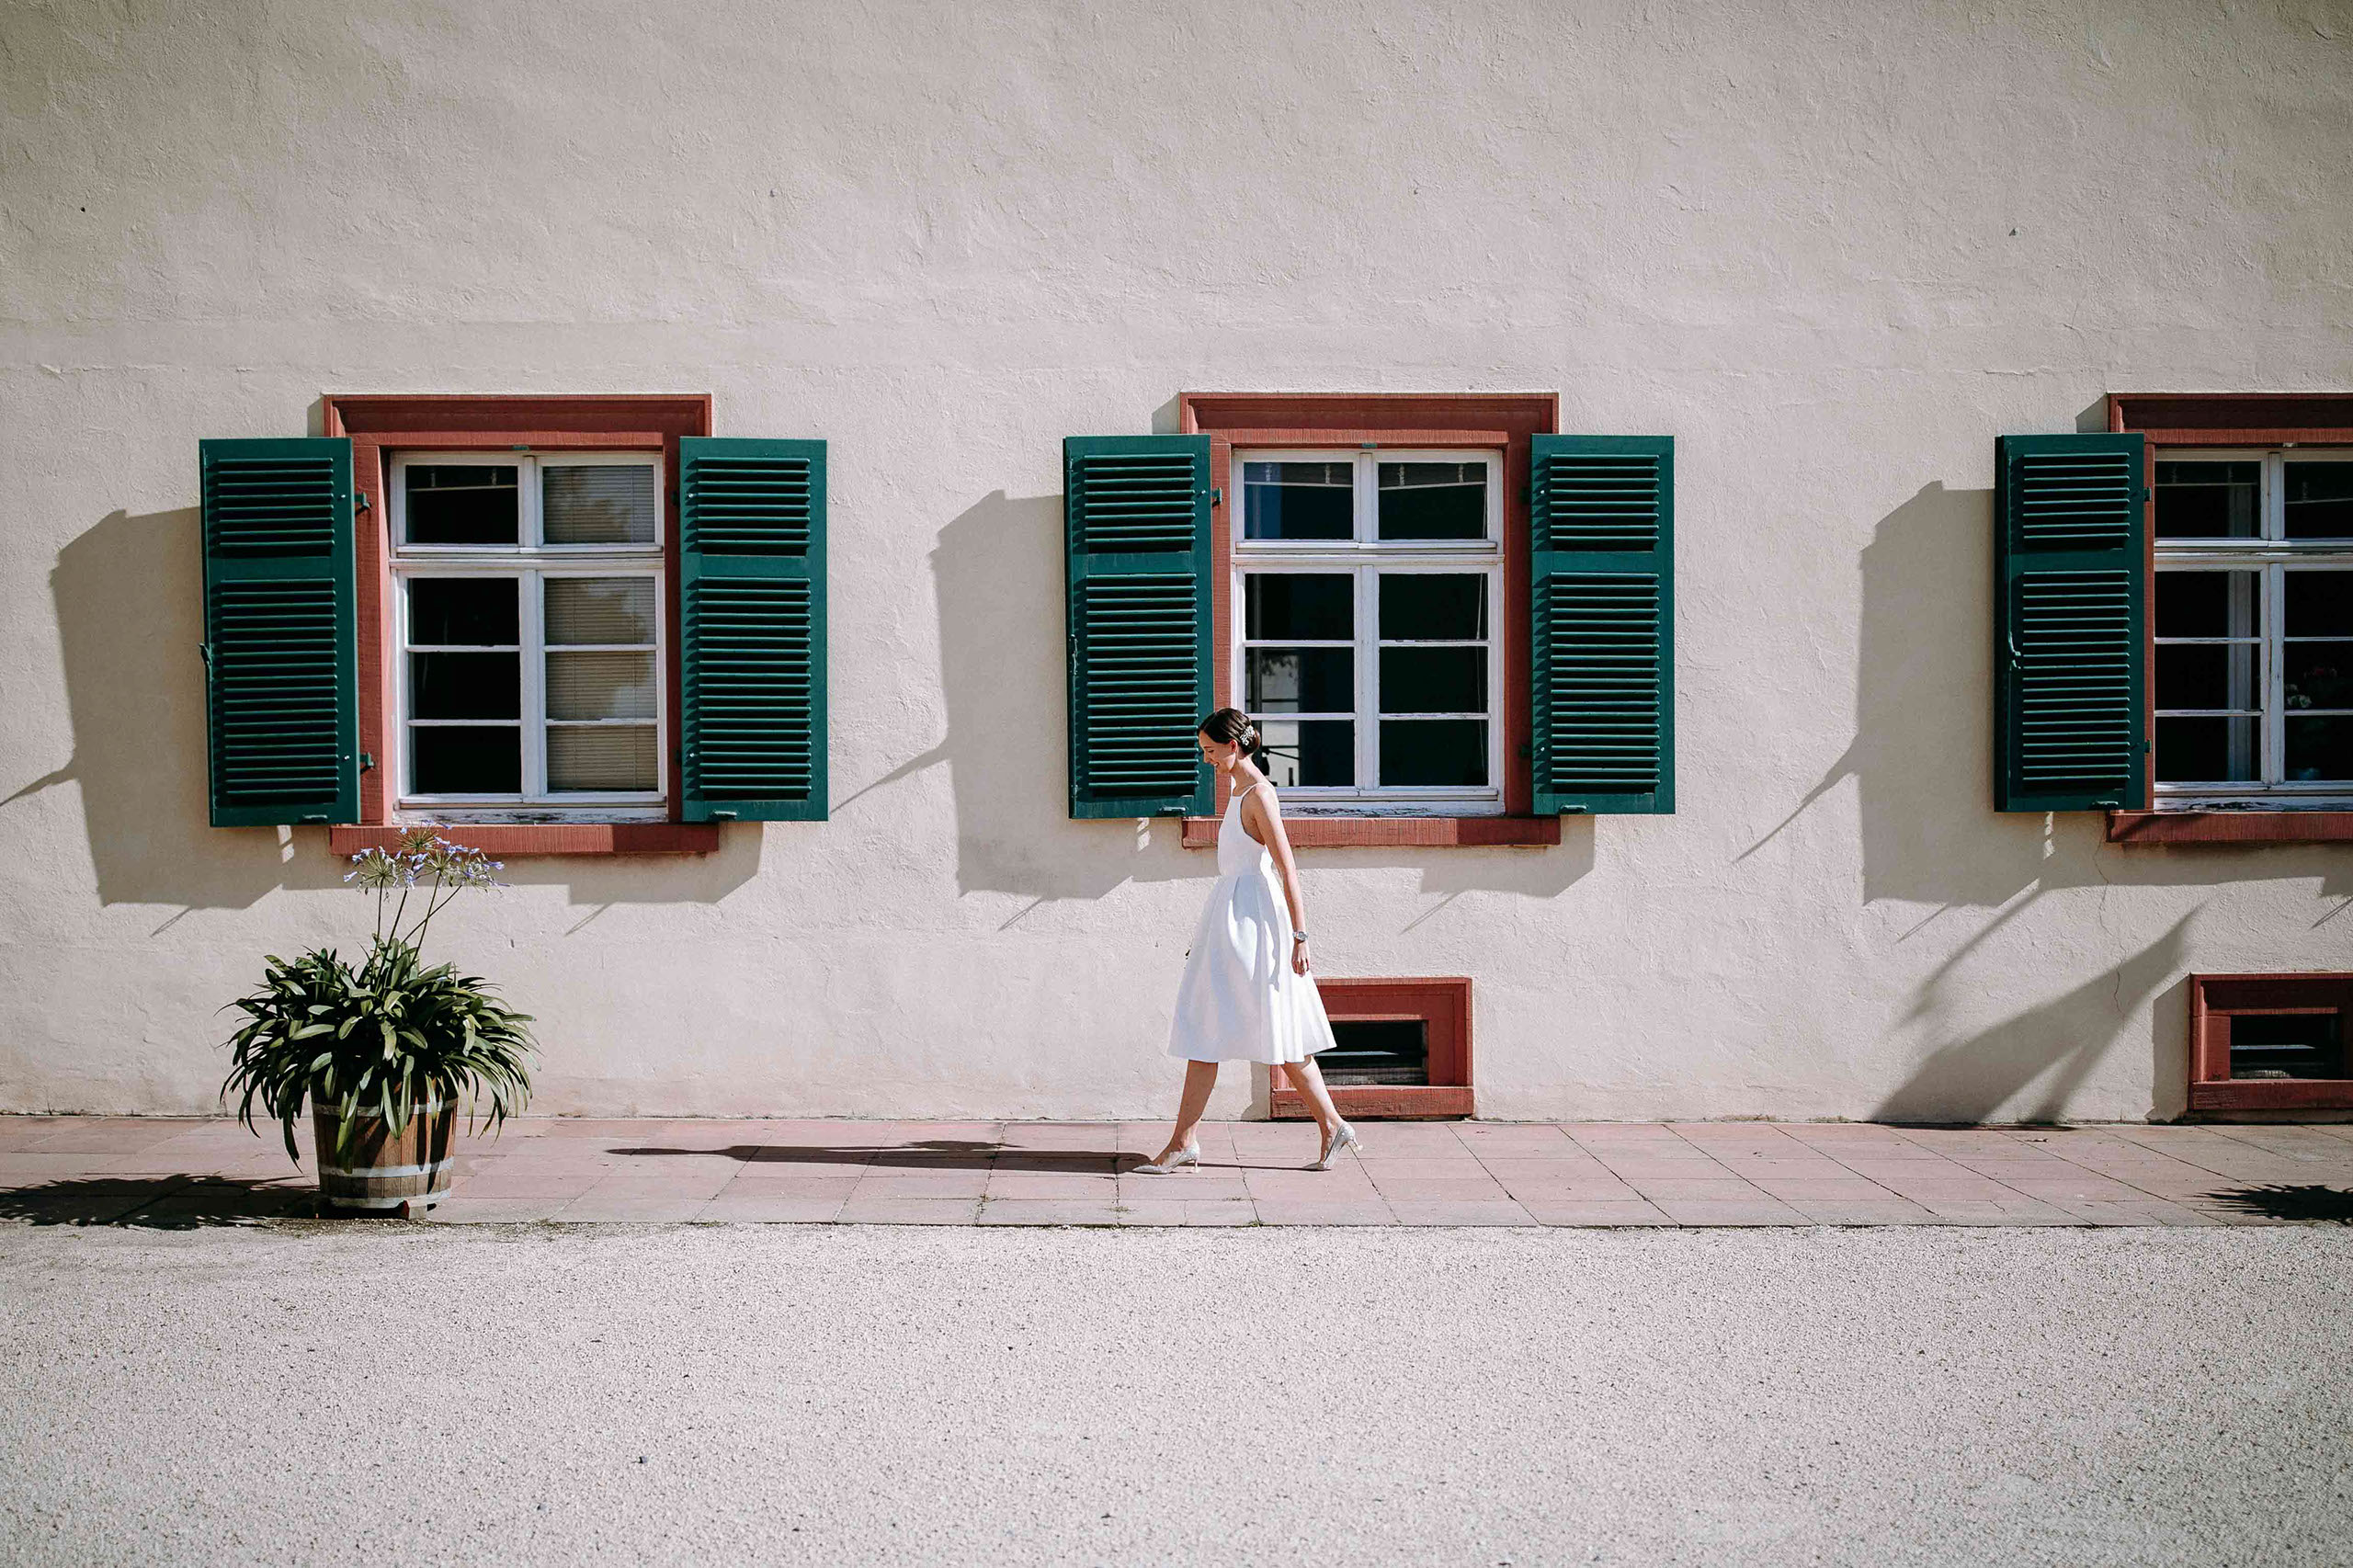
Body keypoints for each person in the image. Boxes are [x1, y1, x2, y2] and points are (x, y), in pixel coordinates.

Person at [1132, 708, 1362, 1175]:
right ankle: (1330, 1124)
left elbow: (1286, 865)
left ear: (1234, 748)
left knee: (1234, 1027)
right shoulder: (1239, 792)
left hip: (1255, 926)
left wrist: (1300, 935)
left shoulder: (1259, 795)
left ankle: (1185, 1142)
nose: (1207, 760)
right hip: (1233, 921)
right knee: (1231, 1027)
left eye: (1212, 752)